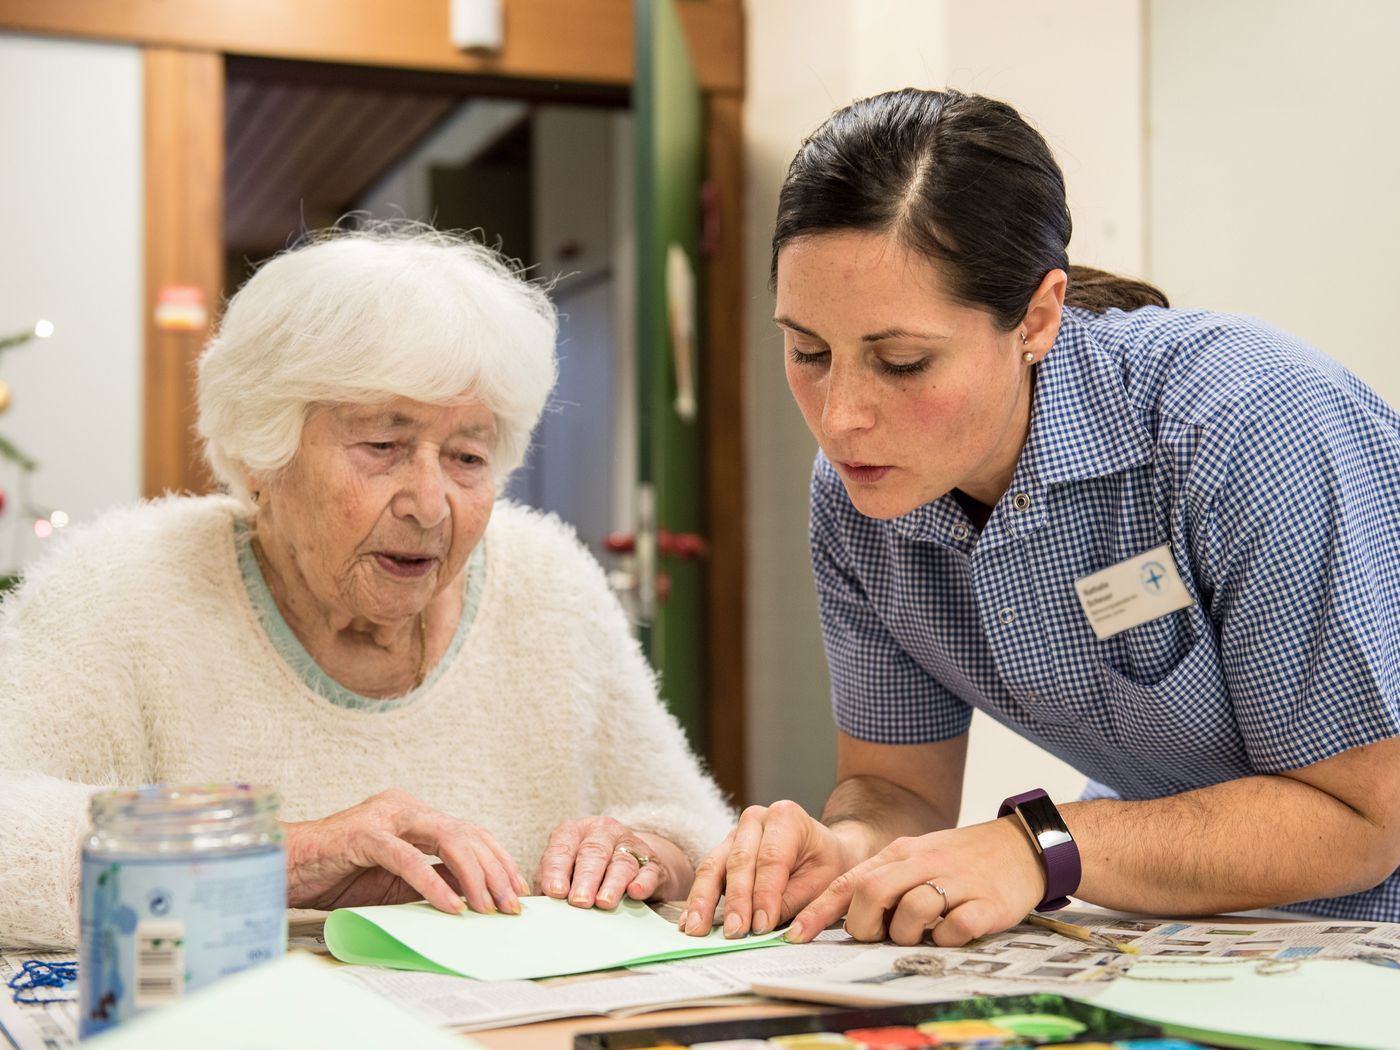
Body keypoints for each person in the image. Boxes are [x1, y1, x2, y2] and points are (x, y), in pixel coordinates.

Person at [681, 88, 1400, 947]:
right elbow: (898, 790)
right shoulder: (860, 494)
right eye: (807, 352)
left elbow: (1362, 817)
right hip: (1210, 931)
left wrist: (1039, 846)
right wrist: (846, 849)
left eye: (902, 363)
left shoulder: (1245, 424)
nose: (840, 419)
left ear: (1037, 317)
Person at [0, 224, 732, 950]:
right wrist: (287, 857)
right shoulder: (122, 586)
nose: (430, 502)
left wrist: (645, 854)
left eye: (467, 456)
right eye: (382, 446)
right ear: (264, 452)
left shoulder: (548, 582)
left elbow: (693, 826)